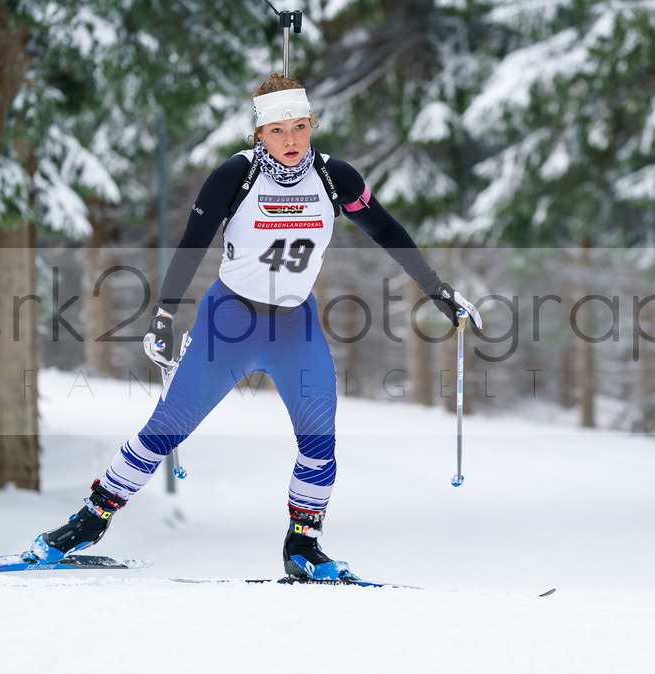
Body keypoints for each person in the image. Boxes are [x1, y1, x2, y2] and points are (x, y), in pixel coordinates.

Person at [24, 73, 482, 581]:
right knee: (165, 429)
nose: (291, 141)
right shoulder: (235, 176)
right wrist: (164, 315)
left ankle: (303, 546)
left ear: (312, 126)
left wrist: (438, 291)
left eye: (301, 127)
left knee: (320, 440)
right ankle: (89, 521)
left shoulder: (336, 179)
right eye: (278, 130)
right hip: (231, 322)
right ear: (258, 133)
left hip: (295, 326)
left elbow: (388, 231)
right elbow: (193, 243)